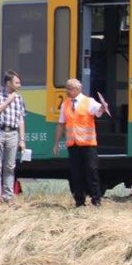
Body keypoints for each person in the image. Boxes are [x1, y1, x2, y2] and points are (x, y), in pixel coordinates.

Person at [52, 78, 107, 207]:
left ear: (78, 89)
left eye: (70, 89)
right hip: (73, 144)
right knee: (76, 174)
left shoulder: (89, 101)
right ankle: (79, 201)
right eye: (66, 88)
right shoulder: (65, 104)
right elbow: (61, 125)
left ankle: (96, 200)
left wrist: (103, 108)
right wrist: (56, 143)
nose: (67, 91)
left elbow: (99, 112)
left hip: (88, 144)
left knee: (91, 171)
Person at [0, 70, 26, 203]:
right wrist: (8, 101)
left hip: (13, 133)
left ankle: (8, 196)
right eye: (16, 82)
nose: (19, 85)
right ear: (8, 83)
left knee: (10, 166)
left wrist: (22, 139)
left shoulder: (19, 98)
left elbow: (21, 119)